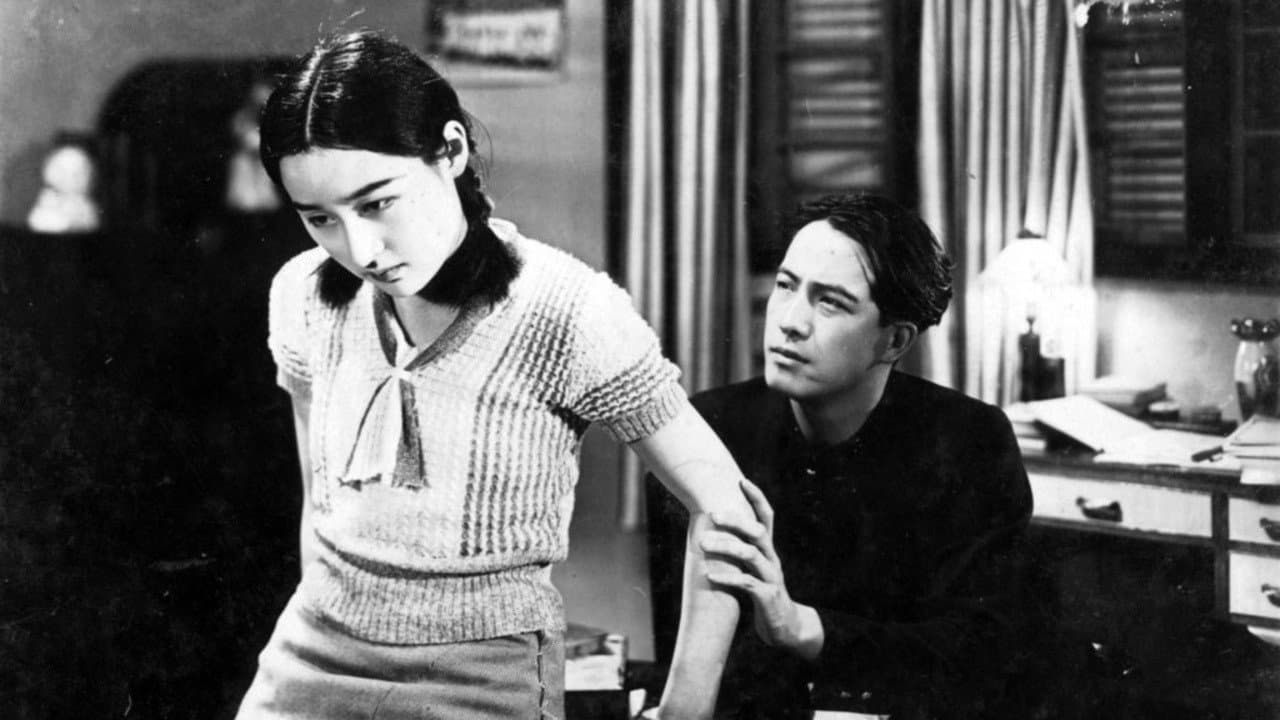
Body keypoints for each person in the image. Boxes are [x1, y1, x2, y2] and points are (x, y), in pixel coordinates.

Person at [236, 30, 753, 720]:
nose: (360, 249)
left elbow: (725, 505)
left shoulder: (567, 310)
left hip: (481, 679)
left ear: (450, 151)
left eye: (378, 202)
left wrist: (687, 708)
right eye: (319, 219)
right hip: (311, 660)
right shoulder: (304, 297)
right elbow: (320, 500)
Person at [647, 194, 1034, 719]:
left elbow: (981, 658)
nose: (790, 321)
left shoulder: (971, 442)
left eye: (829, 303)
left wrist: (800, 626)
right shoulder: (708, 430)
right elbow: (685, 654)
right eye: (786, 286)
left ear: (894, 342)